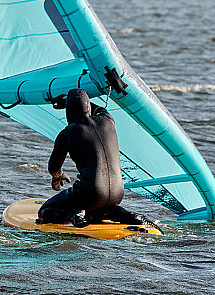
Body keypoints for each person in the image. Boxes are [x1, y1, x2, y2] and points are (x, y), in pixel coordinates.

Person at [37, 88, 146, 227]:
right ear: (88, 107)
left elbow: (53, 167)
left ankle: (74, 215)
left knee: (45, 211)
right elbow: (97, 108)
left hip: (89, 194)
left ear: (68, 111)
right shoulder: (108, 120)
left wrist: (58, 176)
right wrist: (75, 102)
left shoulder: (67, 133)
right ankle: (128, 216)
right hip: (118, 193)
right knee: (102, 206)